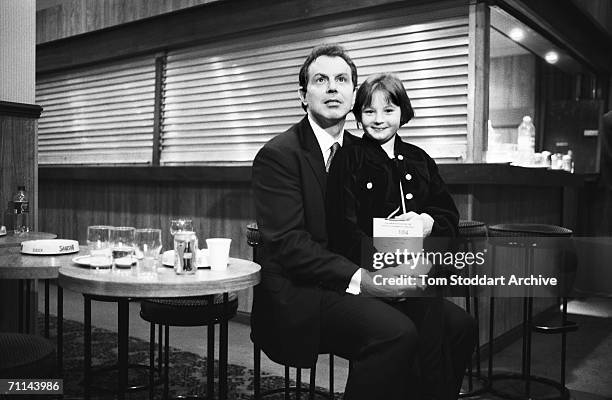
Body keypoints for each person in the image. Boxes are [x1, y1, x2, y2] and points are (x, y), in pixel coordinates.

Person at [252, 44, 473, 400]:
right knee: (396, 333)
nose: (332, 87)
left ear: (353, 93)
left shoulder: (366, 151)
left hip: (365, 274)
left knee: (460, 325)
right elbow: (290, 244)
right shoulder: (279, 155)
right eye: (320, 79)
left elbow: (385, 226)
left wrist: (407, 255)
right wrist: (366, 280)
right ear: (303, 96)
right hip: (305, 290)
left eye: (341, 79)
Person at [326, 72, 472, 399]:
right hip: (375, 277)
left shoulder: (420, 158)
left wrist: (428, 221)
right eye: (369, 111)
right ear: (358, 115)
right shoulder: (348, 158)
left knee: (462, 328)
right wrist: (385, 268)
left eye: (388, 110)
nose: (379, 119)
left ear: (402, 112)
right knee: (425, 331)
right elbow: (343, 229)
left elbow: (449, 213)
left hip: (423, 273)